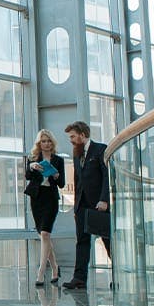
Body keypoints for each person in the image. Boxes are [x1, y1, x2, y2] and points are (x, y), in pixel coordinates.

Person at [62, 121, 111, 291]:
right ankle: (79, 278)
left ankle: (118, 275)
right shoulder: (76, 154)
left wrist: (104, 199)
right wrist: (76, 207)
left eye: (73, 136)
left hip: (99, 205)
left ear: (83, 135)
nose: (71, 140)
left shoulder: (100, 150)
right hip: (82, 206)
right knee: (82, 242)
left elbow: (107, 176)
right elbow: (77, 181)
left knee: (107, 241)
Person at [25, 129, 65, 286]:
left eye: (49, 141)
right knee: (44, 236)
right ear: (39, 143)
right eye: (43, 141)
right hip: (37, 198)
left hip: (50, 198)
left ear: (52, 143)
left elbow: (62, 183)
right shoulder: (33, 158)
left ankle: (41, 271)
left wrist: (56, 176)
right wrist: (31, 167)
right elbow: (27, 177)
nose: (46, 144)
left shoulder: (58, 160)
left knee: (45, 233)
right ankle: (55, 267)